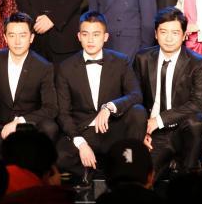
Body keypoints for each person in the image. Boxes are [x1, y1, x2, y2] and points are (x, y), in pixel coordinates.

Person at [55, 11, 146, 177]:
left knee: (138, 111)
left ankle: (128, 167)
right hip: (85, 131)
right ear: (79, 36)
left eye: (96, 34)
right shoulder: (65, 67)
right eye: (85, 34)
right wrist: (81, 144)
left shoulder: (121, 61)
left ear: (105, 37)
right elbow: (63, 113)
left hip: (114, 129)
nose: (90, 40)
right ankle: (101, 171)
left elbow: (136, 94)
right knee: (60, 157)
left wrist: (109, 107)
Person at [132, 7, 202, 180]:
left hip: (184, 130)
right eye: (163, 32)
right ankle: (168, 163)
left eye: (175, 33)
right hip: (155, 134)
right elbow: (135, 98)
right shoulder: (142, 58)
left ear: (184, 35)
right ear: (155, 34)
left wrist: (159, 120)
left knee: (196, 122)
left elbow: (198, 104)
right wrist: (142, 130)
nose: (168, 38)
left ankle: (188, 168)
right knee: (145, 179)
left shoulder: (197, 63)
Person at [0, 12, 58, 155]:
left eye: (22, 35)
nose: (17, 42)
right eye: (12, 35)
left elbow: (51, 108)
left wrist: (19, 122)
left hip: (30, 128)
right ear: (5, 37)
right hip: (1, 128)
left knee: (50, 128)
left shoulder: (43, 67)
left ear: (31, 38)